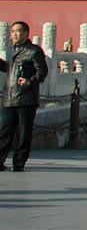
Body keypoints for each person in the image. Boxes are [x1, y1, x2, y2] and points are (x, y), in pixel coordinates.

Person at [0, 21, 49, 171]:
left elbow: (42, 72)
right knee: (4, 131)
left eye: (19, 31)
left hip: (26, 98)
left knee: (23, 133)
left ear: (26, 33)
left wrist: (30, 81)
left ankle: (19, 163)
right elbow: (10, 69)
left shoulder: (34, 51)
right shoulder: (12, 49)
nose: (15, 34)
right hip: (9, 97)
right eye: (13, 31)